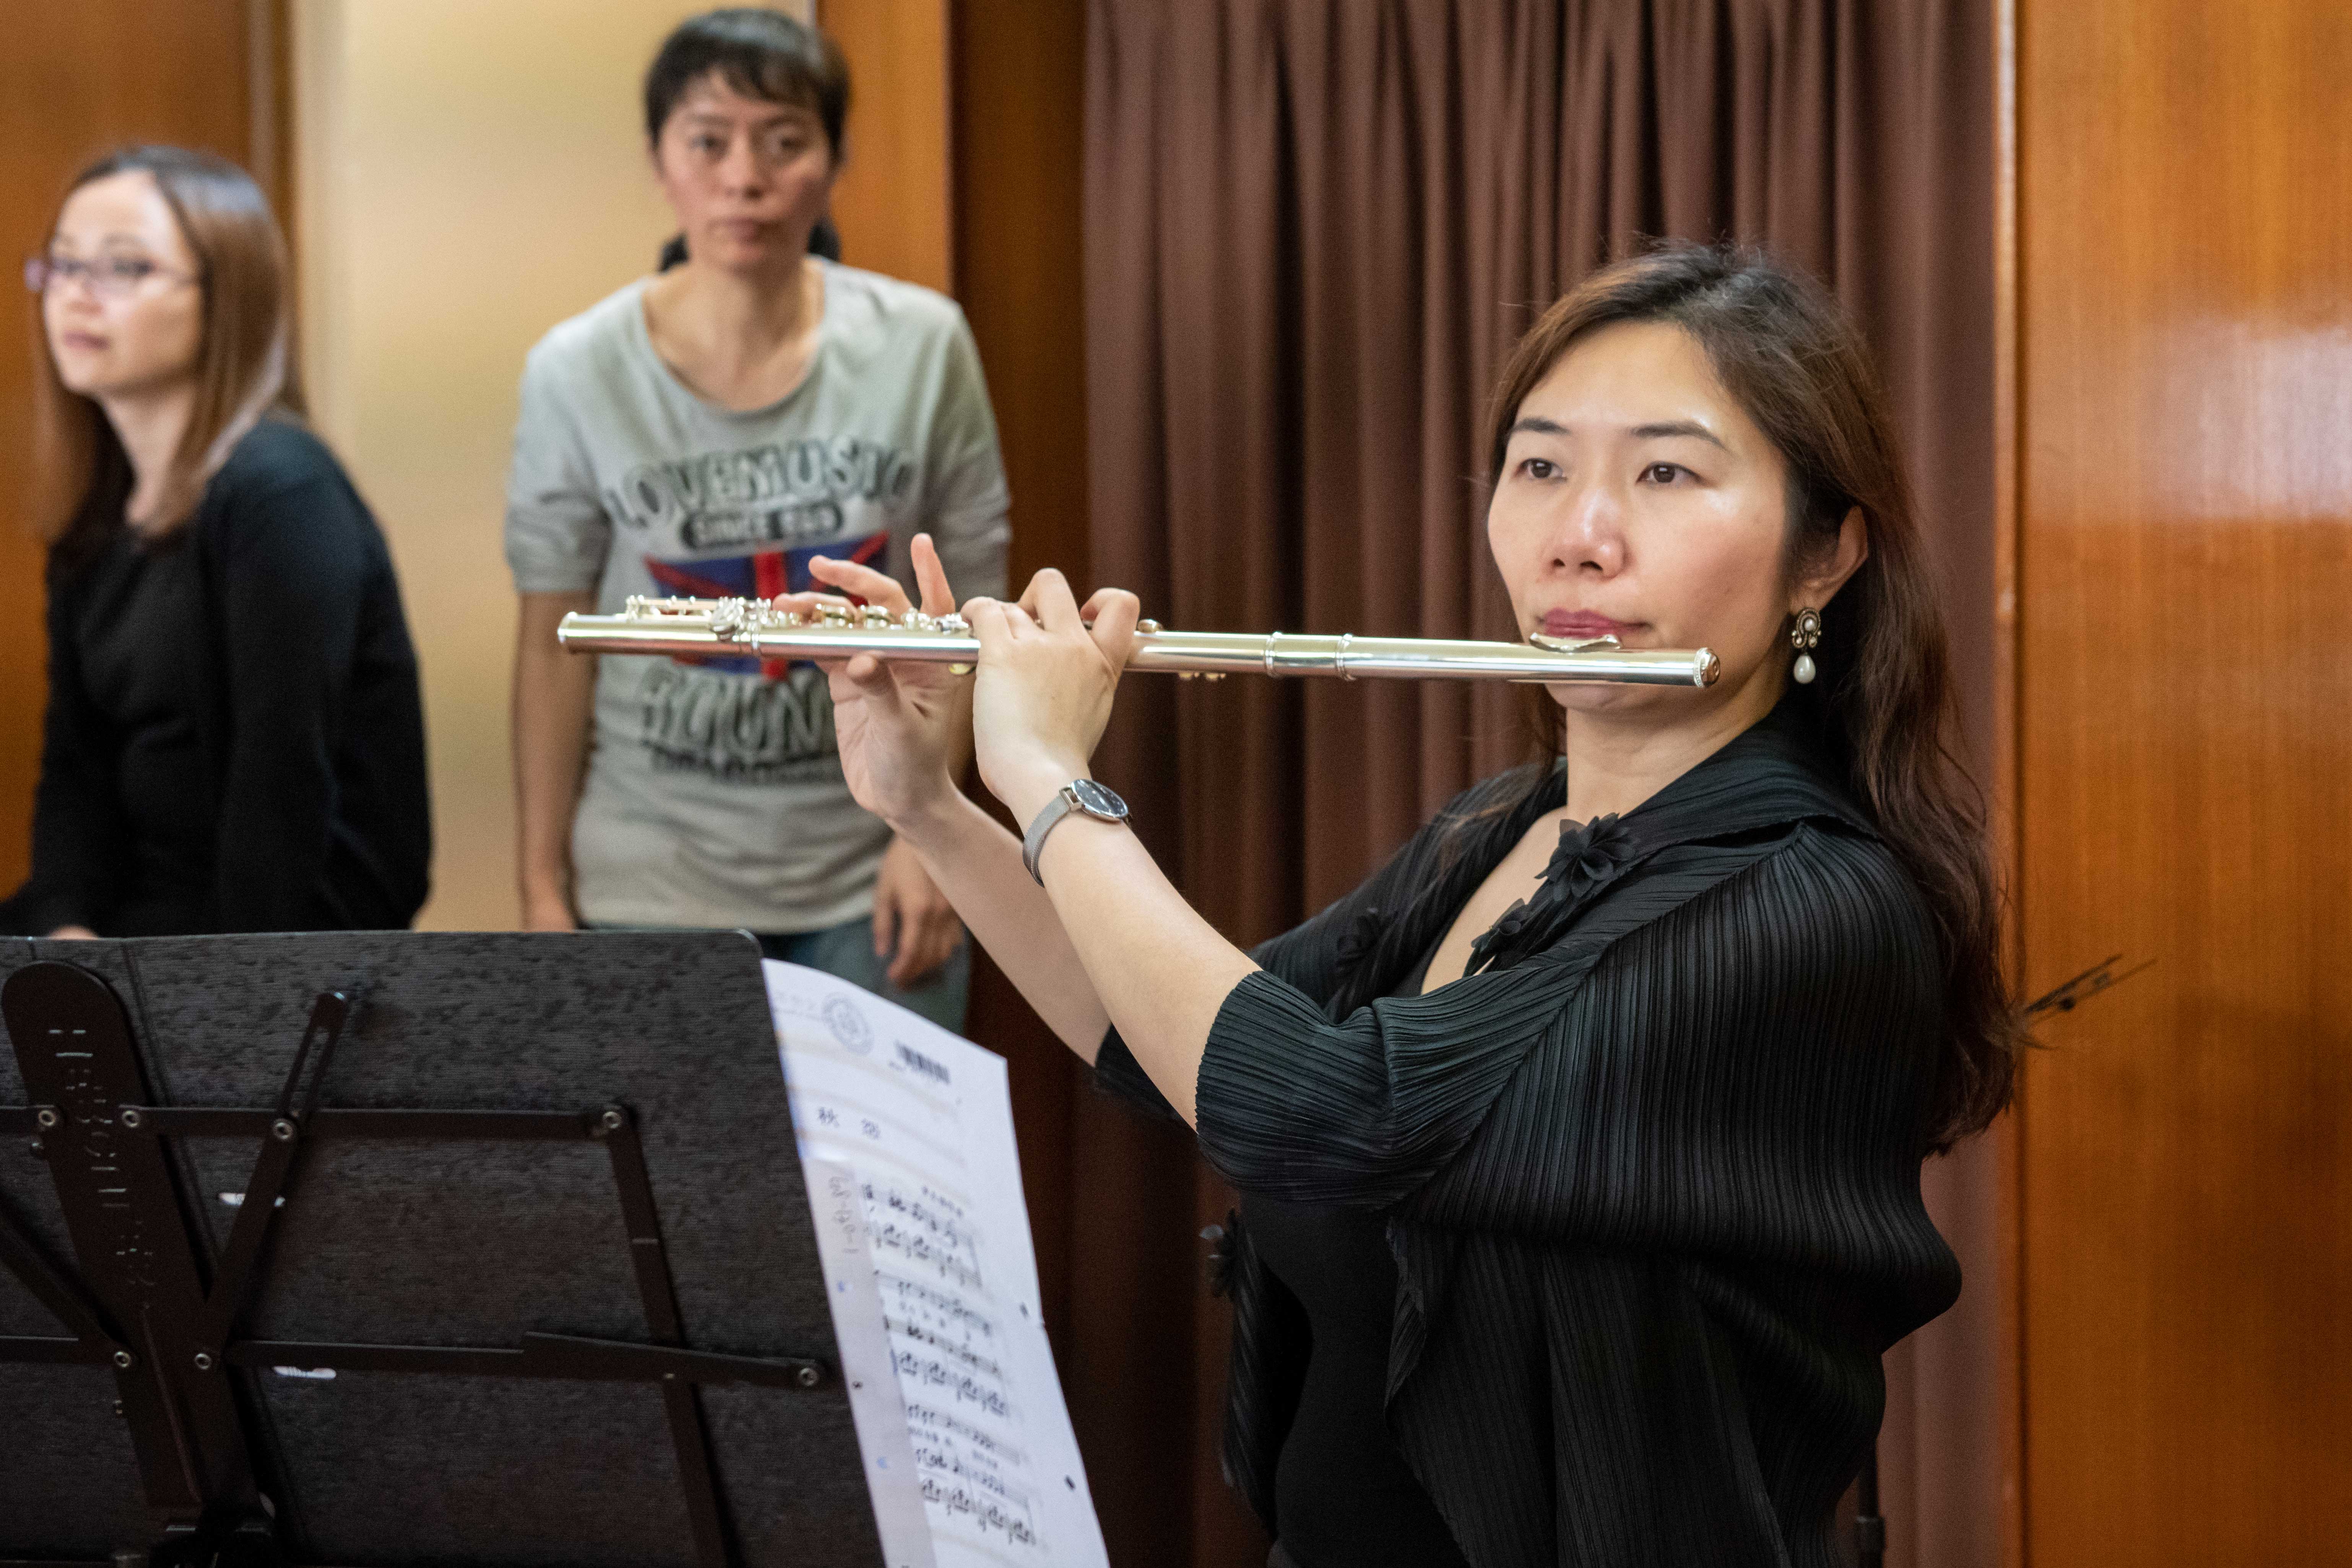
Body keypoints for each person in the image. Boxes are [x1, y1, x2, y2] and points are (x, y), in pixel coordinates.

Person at [806, 244, 2021, 1567]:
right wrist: (932, 806)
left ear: (1824, 555)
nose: (1579, 536)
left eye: (1666, 474)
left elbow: (1324, 1113)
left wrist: (1048, 773)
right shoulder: (1503, 828)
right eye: (1540, 467)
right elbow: (1171, 1048)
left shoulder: (1809, 901)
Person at [506, 7, 1007, 1029]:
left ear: (834, 160)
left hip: (870, 873)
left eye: (783, 141)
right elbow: (552, 640)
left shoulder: (923, 345)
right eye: (708, 141)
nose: (745, 178)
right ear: (660, 161)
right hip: (649, 882)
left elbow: (970, 615)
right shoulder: (576, 369)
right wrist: (541, 887)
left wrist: (930, 834)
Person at [3, 147, 430, 938]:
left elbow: (283, 791)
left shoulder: (281, 493)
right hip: (131, 936)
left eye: (124, 267)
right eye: (63, 265)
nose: (76, 295)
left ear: (228, 296)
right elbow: (76, 774)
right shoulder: (100, 513)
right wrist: (64, 936)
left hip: (260, 951)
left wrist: (209, 992)